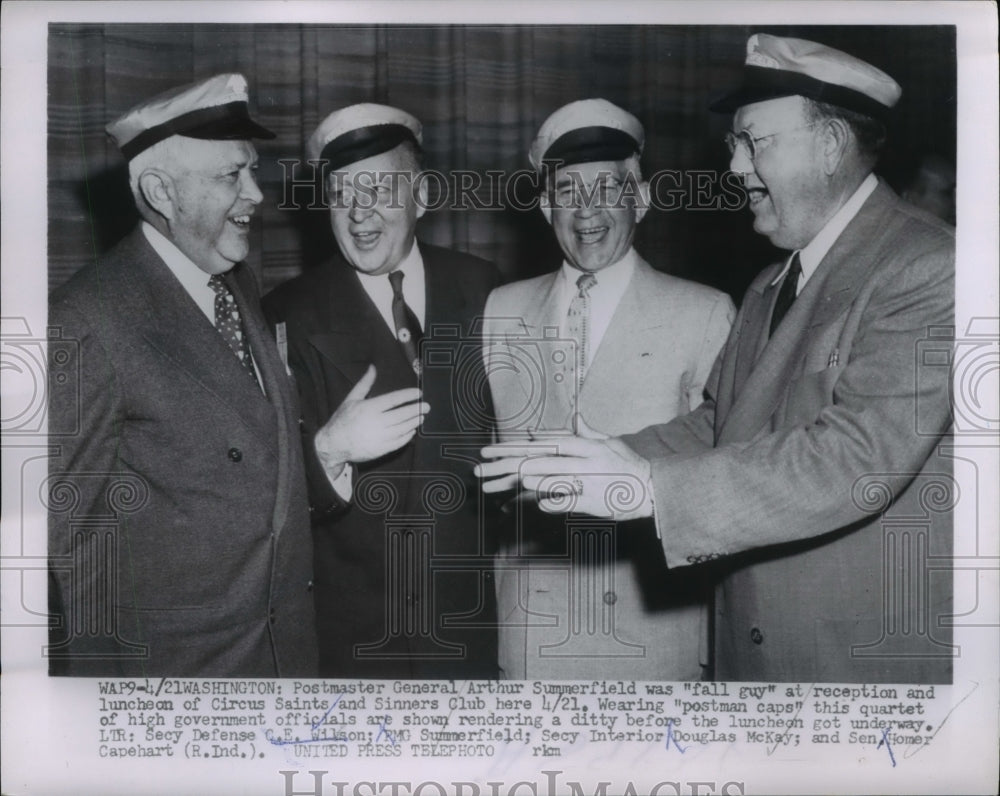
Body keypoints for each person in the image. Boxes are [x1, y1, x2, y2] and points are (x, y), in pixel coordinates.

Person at [478, 34, 954, 683]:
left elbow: (855, 458)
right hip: (757, 658)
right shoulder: (770, 285)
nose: (733, 169)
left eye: (754, 142)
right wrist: (605, 459)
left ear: (831, 147)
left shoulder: (928, 268)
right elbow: (717, 421)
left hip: (854, 664)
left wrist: (649, 491)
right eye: (735, 144)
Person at [47, 73, 318, 677]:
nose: (255, 194)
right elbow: (72, 550)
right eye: (230, 176)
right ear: (160, 192)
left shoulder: (235, 278)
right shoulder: (85, 320)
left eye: (250, 170)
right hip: (184, 682)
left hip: (284, 659)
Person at [483, 99, 734, 679]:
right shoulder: (503, 309)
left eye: (607, 188)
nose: (587, 210)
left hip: (654, 635)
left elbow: (720, 481)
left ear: (640, 199)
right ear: (546, 206)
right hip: (532, 636)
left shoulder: (705, 312)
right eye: (568, 191)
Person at [263, 104, 500, 679]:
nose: (360, 212)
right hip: (349, 646)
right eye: (342, 193)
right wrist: (328, 451)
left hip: (463, 638)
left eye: (380, 188)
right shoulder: (281, 315)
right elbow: (259, 493)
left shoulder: (489, 291)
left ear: (421, 196)